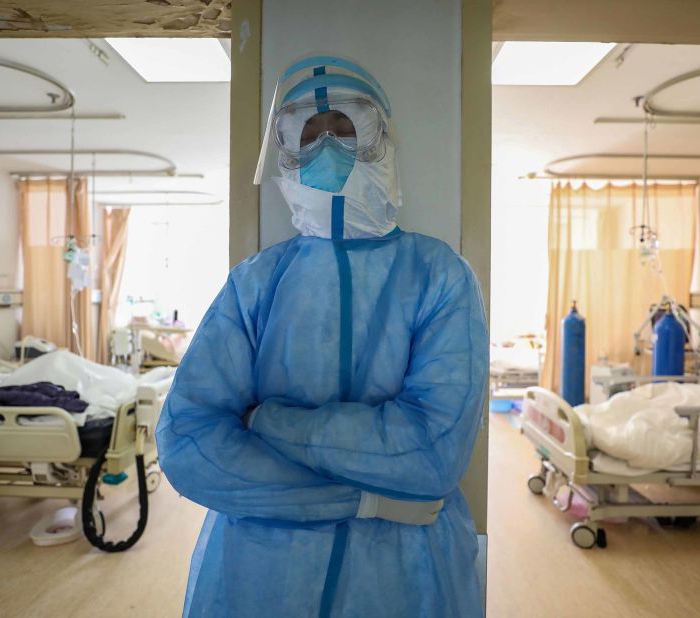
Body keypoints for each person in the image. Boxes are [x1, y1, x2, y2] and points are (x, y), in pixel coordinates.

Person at [157, 54, 487, 617]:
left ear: (380, 139)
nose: (329, 147)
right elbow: (189, 444)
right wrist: (366, 500)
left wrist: (265, 421)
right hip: (260, 579)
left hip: (405, 579)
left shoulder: (438, 274)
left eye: (344, 128)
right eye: (310, 134)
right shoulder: (257, 282)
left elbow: (432, 452)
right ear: (286, 150)